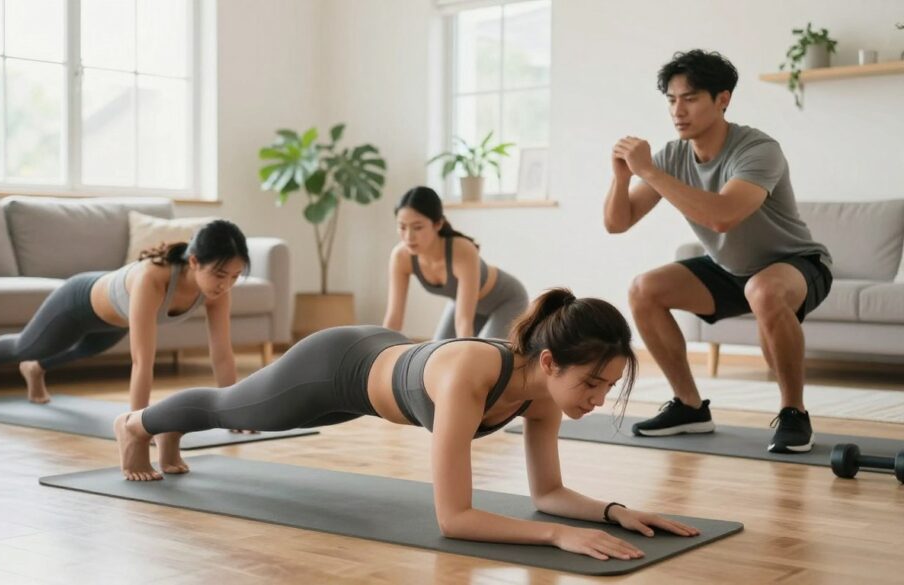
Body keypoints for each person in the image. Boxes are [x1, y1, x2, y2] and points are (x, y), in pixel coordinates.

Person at [113, 288, 700, 560]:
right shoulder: (473, 375)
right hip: (333, 368)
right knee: (233, 410)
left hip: (379, 365)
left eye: (606, 388)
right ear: (550, 361)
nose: (595, 400)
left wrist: (612, 512)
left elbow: (546, 493)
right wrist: (555, 536)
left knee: (229, 407)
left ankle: (169, 428)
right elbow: (454, 519)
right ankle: (138, 425)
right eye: (591, 384)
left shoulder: (544, 394)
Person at [603, 50, 832, 453]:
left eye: (690, 98)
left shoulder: (758, 149)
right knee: (644, 289)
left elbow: (724, 217)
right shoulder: (674, 155)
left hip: (795, 263)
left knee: (762, 290)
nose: (678, 110)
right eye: (672, 100)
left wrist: (651, 172)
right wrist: (622, 178)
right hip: (728, 268)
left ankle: (794, 412)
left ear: (722, 99)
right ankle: (690, 407)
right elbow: (617, 223)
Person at [0, 219, 249, 419]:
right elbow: (142, 362)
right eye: (220, 275)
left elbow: (221, 353)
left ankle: (35, 370)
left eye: (235, 276)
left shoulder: (217, 292)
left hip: (112, 321)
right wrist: (137, 427)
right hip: (77, 304)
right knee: (26, 346)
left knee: (85, 350)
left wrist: (233, 410)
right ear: (194, 262)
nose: (225, 284)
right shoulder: (152, 278)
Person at [383, 186, 528, 340]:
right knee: (437, 353)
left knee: (490, 357)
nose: (408, 236)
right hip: (464, 303)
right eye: (402, 227)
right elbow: (394, 318)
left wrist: (464, 356)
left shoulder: (463, 250)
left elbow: (463, 323)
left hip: (506, 301)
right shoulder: (401, 257)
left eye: (417, 227)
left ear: (438, 224)